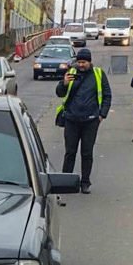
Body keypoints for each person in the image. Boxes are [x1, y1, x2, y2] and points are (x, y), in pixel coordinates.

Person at [55, 47, 111, 194]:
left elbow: (107, 95)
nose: (81, 65)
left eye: (84, 62)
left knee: (87, 153)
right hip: (71, 120)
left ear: (89, 62)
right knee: (70, 152)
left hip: (91, 121)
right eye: (79, 62)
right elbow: (60, 94)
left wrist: (102, 115)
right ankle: (66, 181)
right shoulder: (71, 73)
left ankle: (85, 182)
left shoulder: (98, 74)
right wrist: (64, 83)